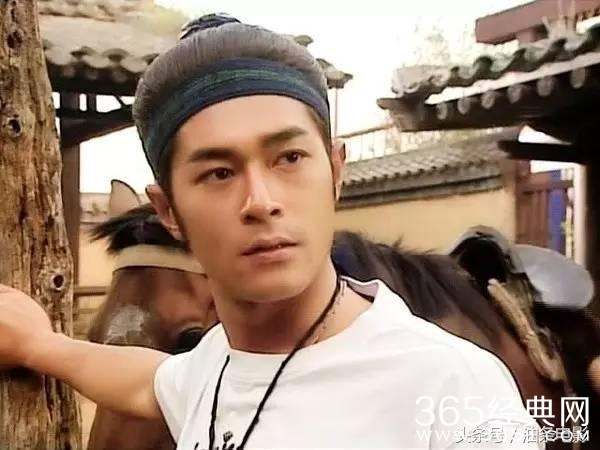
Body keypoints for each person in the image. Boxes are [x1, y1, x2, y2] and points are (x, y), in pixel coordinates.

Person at [0, 14, 543, 449]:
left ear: (335, 172)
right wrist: (39, 345)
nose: (261, 201)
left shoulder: (456, 390)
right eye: (219, 173)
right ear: (168, 211)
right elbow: (149, 382)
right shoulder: (214, 366)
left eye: (289, 158)